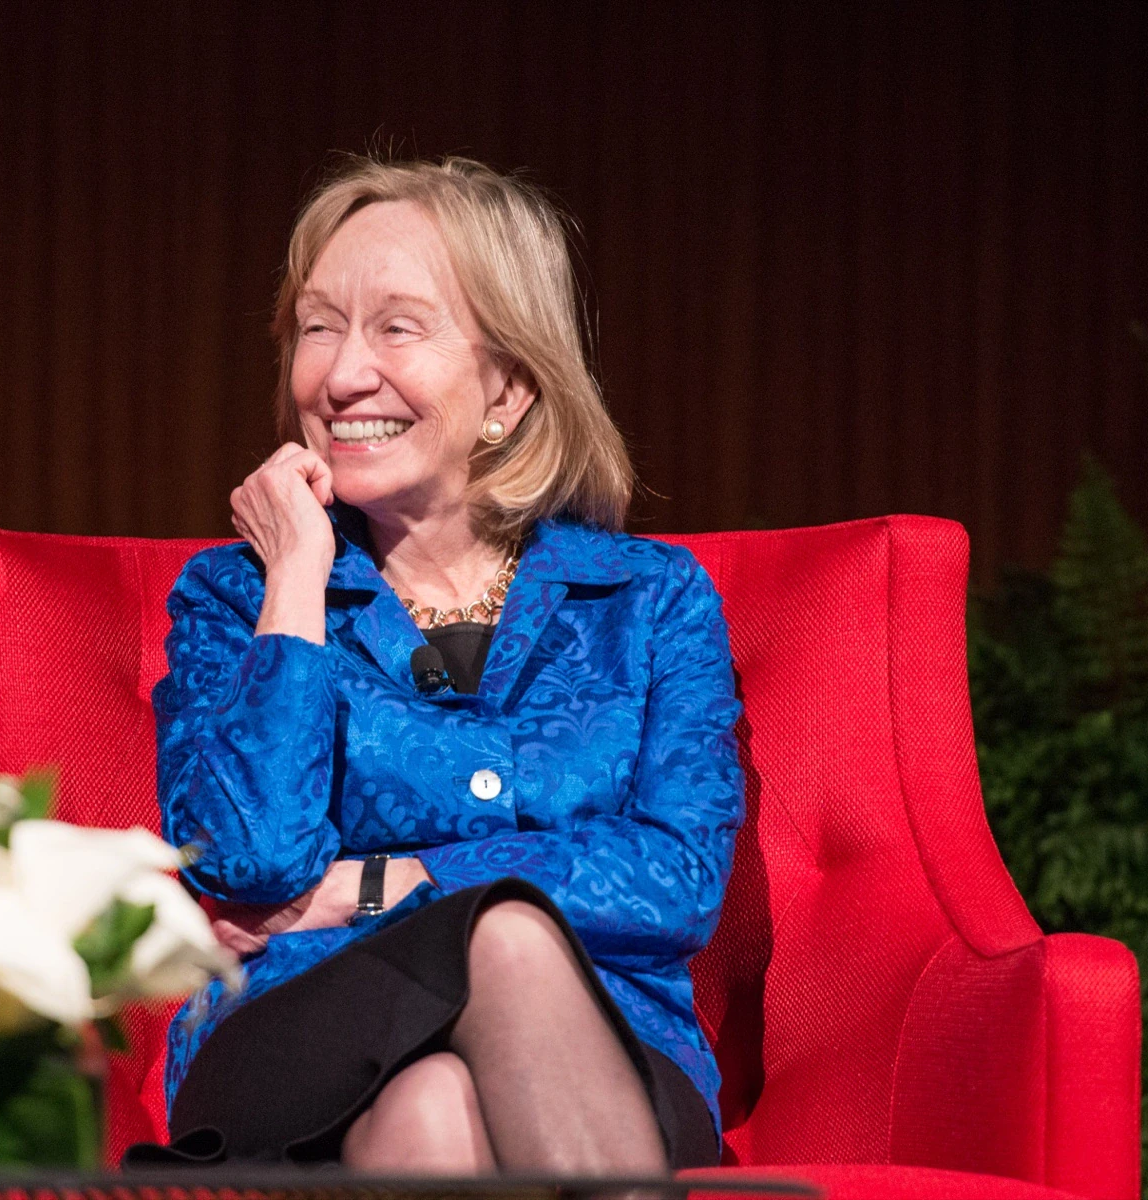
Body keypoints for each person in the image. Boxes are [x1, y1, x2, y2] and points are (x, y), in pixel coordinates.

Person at [125, 155, 744, 1176]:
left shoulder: (650, 599)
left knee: (438, 1111)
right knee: (504, 936)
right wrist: (295, 578)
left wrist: (390, 880)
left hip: (604, 1041)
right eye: (319, 328)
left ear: (510, 387)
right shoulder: (236, 594)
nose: (341, 376)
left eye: (397, 328)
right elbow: (247, 866)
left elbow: (674, 879)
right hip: (301, 1030)